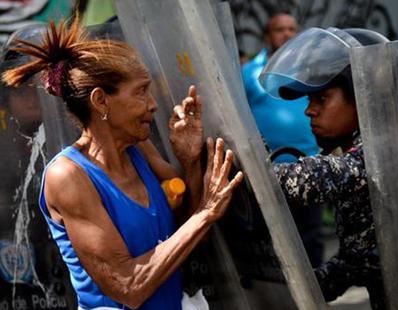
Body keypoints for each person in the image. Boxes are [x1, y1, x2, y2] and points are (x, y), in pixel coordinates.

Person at [2, 18, 244, 310]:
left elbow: (186, 234)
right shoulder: (67, 175)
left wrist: (189, 161)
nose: (153, 104)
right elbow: (127, 286)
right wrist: (206, 212)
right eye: (141, 91)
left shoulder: (140, 149)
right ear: (101, 101)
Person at [259, 27, 389, 309]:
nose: (309, 110)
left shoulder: (383, 154)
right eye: (309, 100)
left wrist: (246, 163)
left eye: (321, 98)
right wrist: (293, 292)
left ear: (362, 96)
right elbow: (358, 260)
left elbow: (306, 182)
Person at [242, 12, 323, 267]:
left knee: (310, 234)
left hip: (309, 166)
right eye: (280, 29)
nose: (287, 34)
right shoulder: (248, 72)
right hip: (266, 170)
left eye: (291, 29)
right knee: (270, 235)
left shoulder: (310, 71)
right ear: (267, 36)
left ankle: (319, 298)